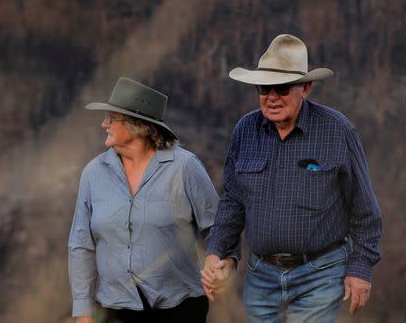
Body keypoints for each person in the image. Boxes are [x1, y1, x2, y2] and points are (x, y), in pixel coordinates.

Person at [201, 34, 382, 322]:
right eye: (264, 87)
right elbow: (233, 201)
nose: (272, 96)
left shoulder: (337, 131)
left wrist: (360, 268)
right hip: (261, 276)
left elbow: (365, 209)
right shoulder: (245, 131)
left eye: (282, 87)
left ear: (305, 88)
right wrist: (216, 253)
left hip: (320, 273)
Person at [68, 77, 222, 323]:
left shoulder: (184, 167)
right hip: (114, 311)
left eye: (111, 118)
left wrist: (218, 263)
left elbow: (218, 225)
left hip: (179, 310)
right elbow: (81, 245)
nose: (103, 124)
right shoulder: (93, 173)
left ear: (136, 125)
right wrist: (83, 311)